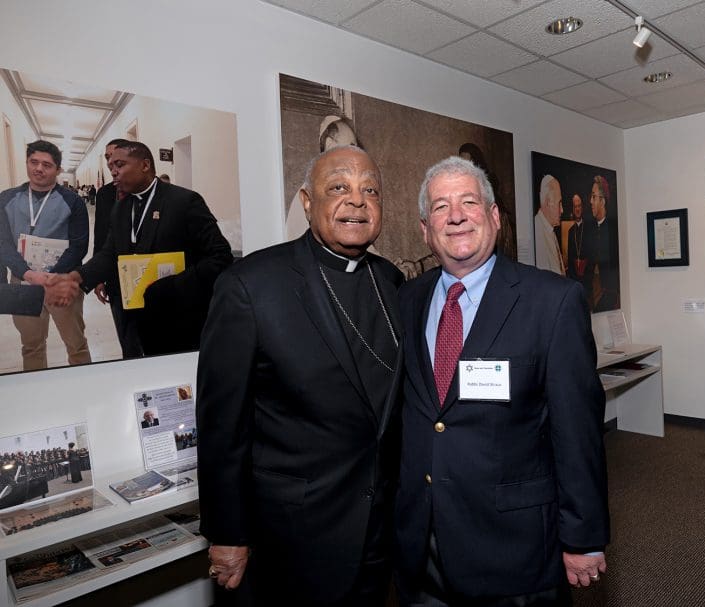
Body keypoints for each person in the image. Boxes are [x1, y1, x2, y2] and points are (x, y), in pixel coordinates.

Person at [395, 156, 609, 606]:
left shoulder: (552, 301)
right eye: (440, 206)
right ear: (424, 229)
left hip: (514, 549)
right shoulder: (407, 300)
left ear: (493, 217)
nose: (455, 215)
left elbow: (577, 431)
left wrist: (584, 536)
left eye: (469, 201)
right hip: (422, 548)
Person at [196, 145, 404, 606]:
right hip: (293, 537)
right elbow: (220, 426)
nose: (357, 201)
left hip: (378, 528)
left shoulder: (390, 281)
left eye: (370, 189)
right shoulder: (251, 284)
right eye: (339, 188)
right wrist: (228, 533)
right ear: (308, 203)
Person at [57, 141, 233, 356]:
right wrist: (77, 276)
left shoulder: (184, 201)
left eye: (120, 165)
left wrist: (172, 285)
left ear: (145, 165)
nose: (113, 172)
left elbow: (220, 256)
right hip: (136, 311)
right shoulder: (121, 208)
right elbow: (110, 253)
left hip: (180, 312)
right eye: (110, 166)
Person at [0, 140, 91, 371]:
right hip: (23, 283)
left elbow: (78, 246)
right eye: (34, 162)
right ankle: (37, 392)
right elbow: (3, 243)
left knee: (76, 344)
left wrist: (51, 278)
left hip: (61, 283)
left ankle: (85, 389)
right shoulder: (7, 198)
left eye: (47, 165)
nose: (39, 168)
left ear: (58, 170)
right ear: (27, 163)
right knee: (31, 346)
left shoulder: (73, 202)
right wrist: (29, 274)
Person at [91, 138, 141, 358]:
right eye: (108, 160)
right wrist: (97, 276)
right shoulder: (105, 194)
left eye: (116, 160)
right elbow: (101, 234)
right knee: (125, 331)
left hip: (148, 273)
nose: (111, 164)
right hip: (117, 274)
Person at [588, 175, 619, 312]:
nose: (590, 201)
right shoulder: (591, 229)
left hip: (610, 297)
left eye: (594, 197)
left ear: (603, 201)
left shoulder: (614, 230)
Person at [534, 174, 565, 274]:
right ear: (548, 202)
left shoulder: (549, 229)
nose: (562, 210)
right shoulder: (536, 231)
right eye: (559, 203)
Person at [566, 194, 590, 289]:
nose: (577, 209)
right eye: (575, 206)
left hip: (588, 278)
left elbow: (592, 255)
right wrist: (573, 278)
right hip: (575, 279)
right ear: (573, 209)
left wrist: (588, 275)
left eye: (579, 206)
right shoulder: (571, 231)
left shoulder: (589, 228)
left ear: (582, 207)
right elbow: (570, 258)